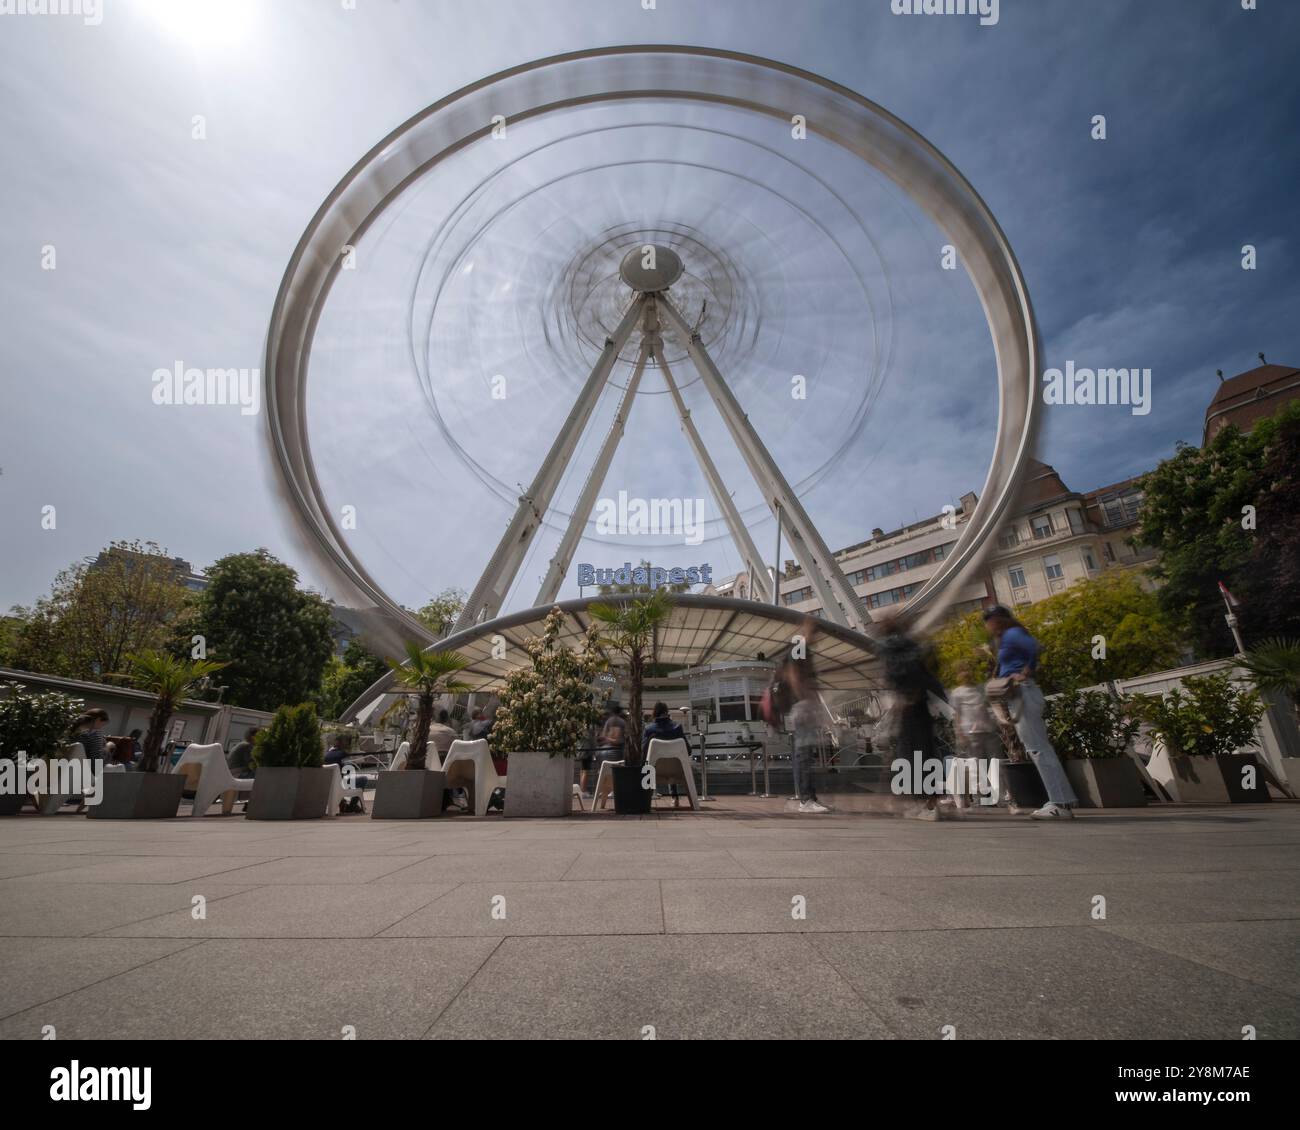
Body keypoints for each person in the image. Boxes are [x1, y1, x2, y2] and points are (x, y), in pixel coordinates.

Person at [982, 605, 1078, 819]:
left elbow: (1034, 647)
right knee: (1038, 748)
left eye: (989, 620)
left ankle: (1060, 804)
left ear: (998, 620)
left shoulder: (1013, 633)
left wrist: (1025, 671)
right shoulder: (1006, 637)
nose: (987, 625)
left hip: (1024, 692)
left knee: (1038, 749)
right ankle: (1060, 800)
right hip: (1020, 695)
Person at [879, 616, 948, 820]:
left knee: (910, 755)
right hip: (921, 705)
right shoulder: (916, 646)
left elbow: (895, 674)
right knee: (926, 752)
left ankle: (924, 805)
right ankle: (931, 802)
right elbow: (931, 671)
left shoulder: (891, 648)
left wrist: (899, 692)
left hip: (907, 705)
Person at [784, 617, 828, 814]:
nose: (816, 637)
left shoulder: (802, 647)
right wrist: (804, 696)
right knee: (804, 754)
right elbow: (792, 673)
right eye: (814, 631)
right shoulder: (799, 644)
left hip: (803, 704)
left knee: (805, 753)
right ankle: (806, 800)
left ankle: (810, 798)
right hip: (802, 705)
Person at [947, 661, 1000, 809]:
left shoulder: (980, 689)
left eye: (968, 670)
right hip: (970, 732)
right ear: (958, 676)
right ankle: (980, 797)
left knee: (994, 763)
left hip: (987, 730)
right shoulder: (957, 692)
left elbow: (988, 708)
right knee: (976, 765)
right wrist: (959, 733)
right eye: (962, 671)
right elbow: (957, 714)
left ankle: (994, 796)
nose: (966, 674)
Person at [643, 701, 686, 807]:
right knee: (673, 759)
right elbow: (688, 750)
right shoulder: (678, 727)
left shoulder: (649, 729)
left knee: (647, 762)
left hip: (653, 770)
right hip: (677, 769)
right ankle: (674, 797)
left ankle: (644, 798)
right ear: (666, 712)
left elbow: (643, 751)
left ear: (654, 713)